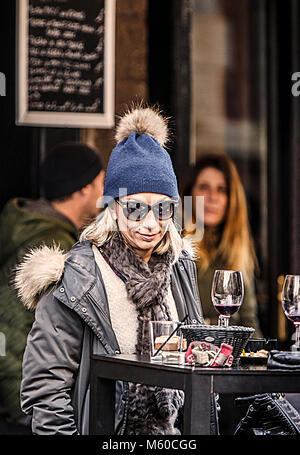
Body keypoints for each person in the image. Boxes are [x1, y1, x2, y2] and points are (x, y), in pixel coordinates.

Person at [14, 105, 204, 435]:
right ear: (113, 207)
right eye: (135, 208)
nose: (150, 223)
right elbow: (45, 391)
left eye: (162, 209)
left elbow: (198, 372)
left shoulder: (180, 269)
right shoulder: (75, 278)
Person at [0, 142, 104, 433]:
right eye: (100, 182)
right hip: (29, 403)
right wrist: (28, 410)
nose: (103, 191)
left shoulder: (33, 226)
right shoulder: (52, 243)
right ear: (83, 188)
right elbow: (7, 330)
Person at [180, 153, 262, 337]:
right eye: (204, 187)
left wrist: (261, 361)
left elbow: (249, 321)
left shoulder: (237, 249)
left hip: (228, 356)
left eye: (221, 189)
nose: (212, 197)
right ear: (189, 193)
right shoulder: (176, 247)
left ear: (231, 200)